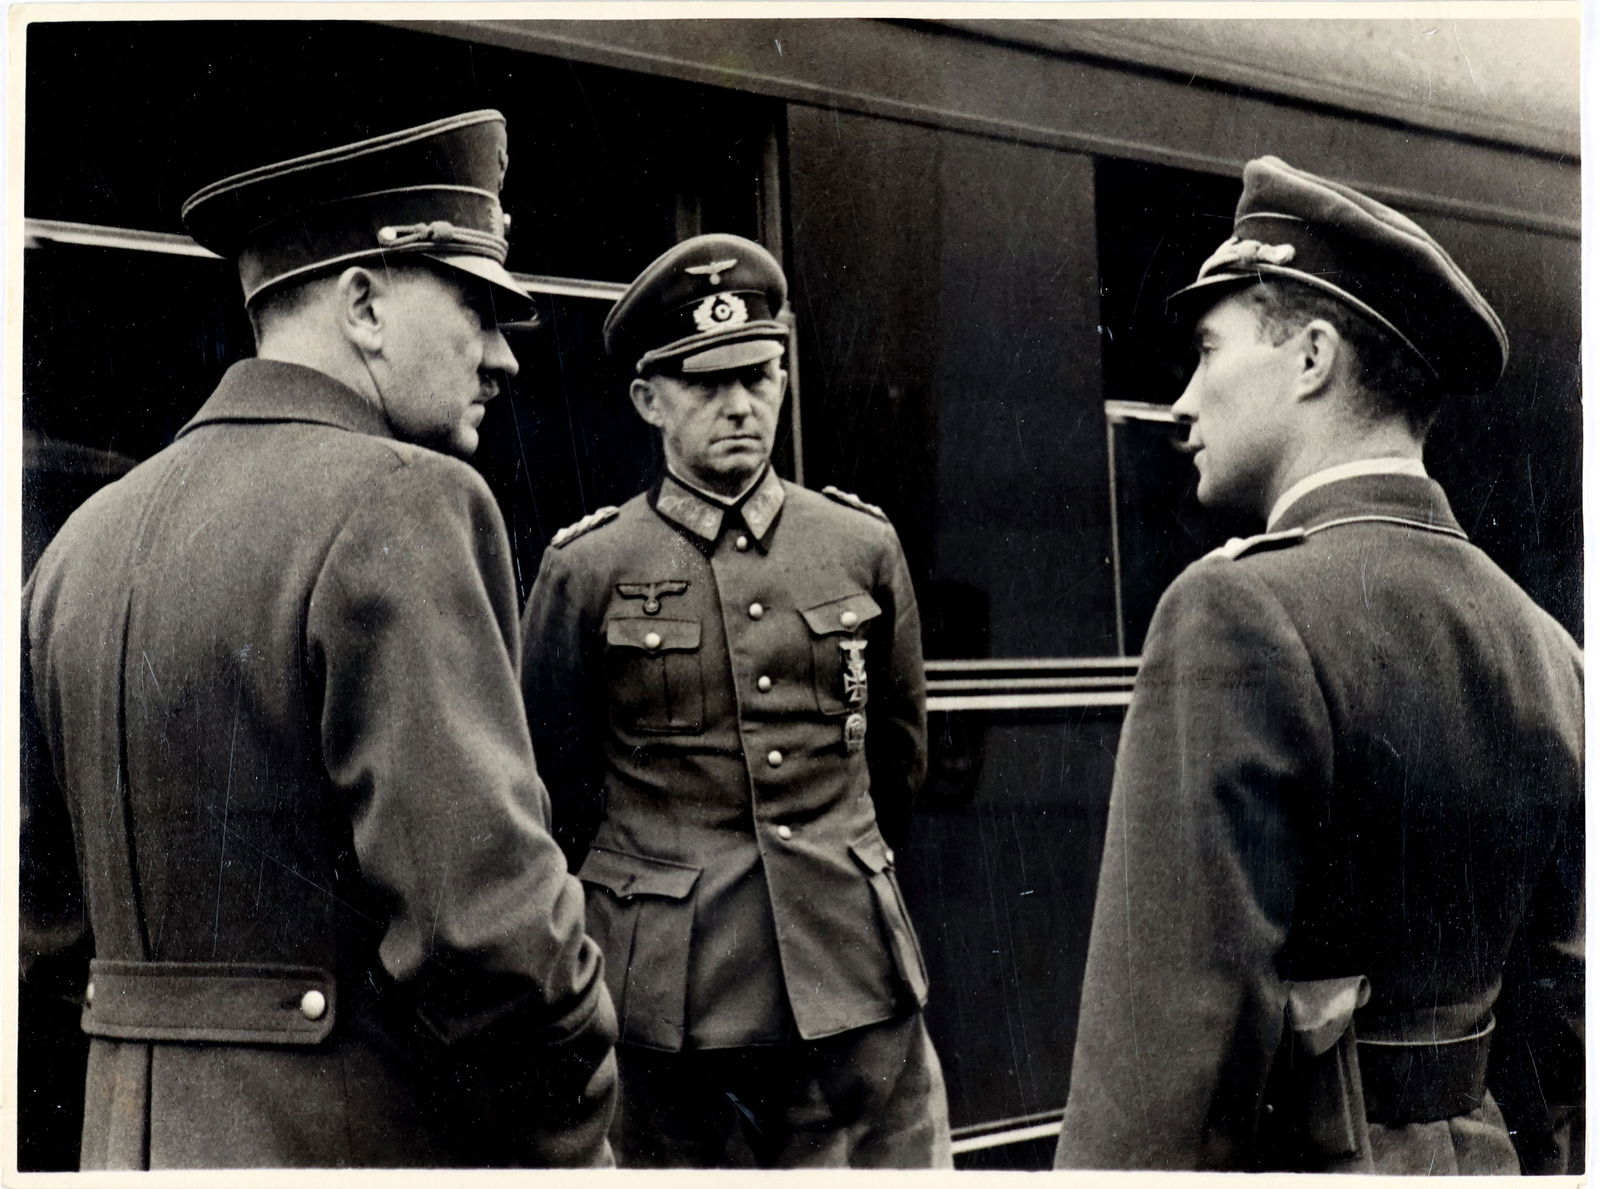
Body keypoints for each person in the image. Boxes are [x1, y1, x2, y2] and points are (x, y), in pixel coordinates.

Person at [19, 110, 618, 1169]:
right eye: (477, 308)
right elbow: (490, 937)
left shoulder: (80, 543)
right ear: (364, 304)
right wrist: (579, 1122)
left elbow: (47, 928)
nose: (500, 359)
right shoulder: (407, 503)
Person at [1055, 156, 1583, 1174]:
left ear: (1310, 357)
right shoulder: (1544, 646)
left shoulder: (1235, 610)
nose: (1181, 402)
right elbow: (1561, 1017)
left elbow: (1164, 1054)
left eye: (1208, 352)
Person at [520, 233, 952, 1168]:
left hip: (853, 984)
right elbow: (553, 792)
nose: (740, 405)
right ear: (649, 400)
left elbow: (896, 761)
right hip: (671, 1012)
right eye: (706, 384)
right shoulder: (588, 569)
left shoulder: (859, 546)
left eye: (758, 376)